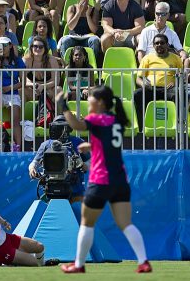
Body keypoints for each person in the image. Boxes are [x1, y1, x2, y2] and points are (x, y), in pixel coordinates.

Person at [58, 85, 152, 274]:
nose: (88, 101)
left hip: (101, 180)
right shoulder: (116, 120)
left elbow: (76, 125)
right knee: (126, 224)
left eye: (90, 98)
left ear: (100, 102)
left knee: (86, 223)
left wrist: (62, 104)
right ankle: (143, 262)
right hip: (119, 180)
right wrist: (92, 146)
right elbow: (108, 145)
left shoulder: (96, 119)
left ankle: (78, 264)